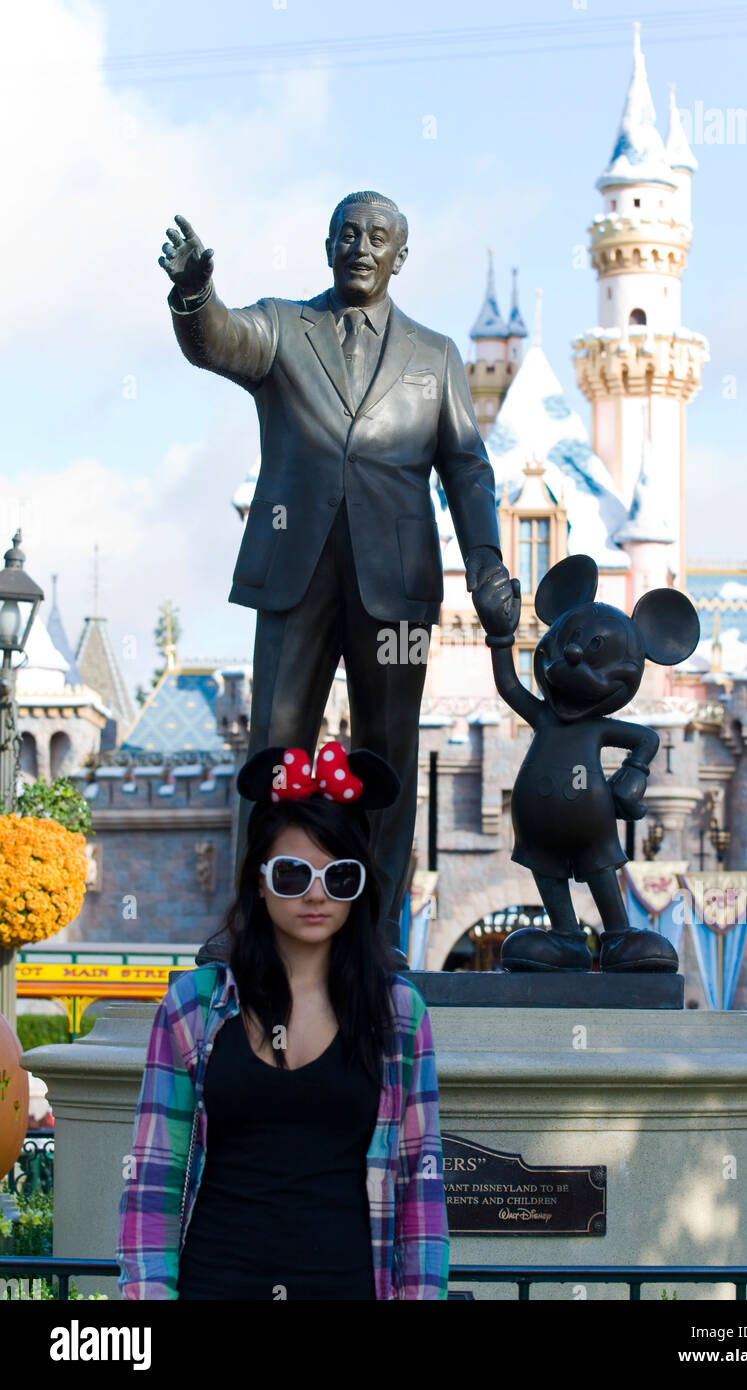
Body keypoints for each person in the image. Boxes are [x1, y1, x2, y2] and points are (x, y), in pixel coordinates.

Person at [158, 191, 518, 949]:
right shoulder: (285, 328)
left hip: (398, 585)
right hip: (295, 572)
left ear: (400, 257)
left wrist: (485, 564)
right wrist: (195, 294)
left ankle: (379, 928)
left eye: (378, 236)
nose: (361, 245)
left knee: (387, 753)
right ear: (327, 245)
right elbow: (217, 340)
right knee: (274, 749)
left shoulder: (436, 356)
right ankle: (256, 920)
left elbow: (467, 469)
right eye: (348, 233)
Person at [116, 741, 449, 1300]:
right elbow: (153, 1176)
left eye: (339, 876)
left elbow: (421, 1184)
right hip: (215, 1286)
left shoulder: (397, 1013)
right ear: (259, 880)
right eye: (293, 874)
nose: (316, 895)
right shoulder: (194, 1006)